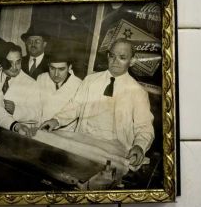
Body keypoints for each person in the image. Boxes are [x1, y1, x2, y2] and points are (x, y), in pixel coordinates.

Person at [44, 38, 154, 167]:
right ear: (107, 56)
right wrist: (56, 120)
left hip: (115, 150)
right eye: (112, 56)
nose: (115, 61)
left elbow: (144, 126)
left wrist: (139, 146)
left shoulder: (138, 92)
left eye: (122, 57)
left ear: (132, 61)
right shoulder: (90, 80)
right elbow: (74, 106)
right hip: (83, 142)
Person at [0, 43, 42, 136]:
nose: (14, 67)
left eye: (18, 62)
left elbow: (37, 114)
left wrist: (16, 110)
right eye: (10, 63)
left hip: (16, 133)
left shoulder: (31, 83)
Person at [37, 49, 83, 127]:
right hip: (40, 127)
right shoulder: (41, 78)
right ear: (48, 65)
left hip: (64, 131)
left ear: (70, 67)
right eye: (52, 68)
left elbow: (74, 110)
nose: (56, 74)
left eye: (61, 69)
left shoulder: (79, 85)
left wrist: (56, 121)